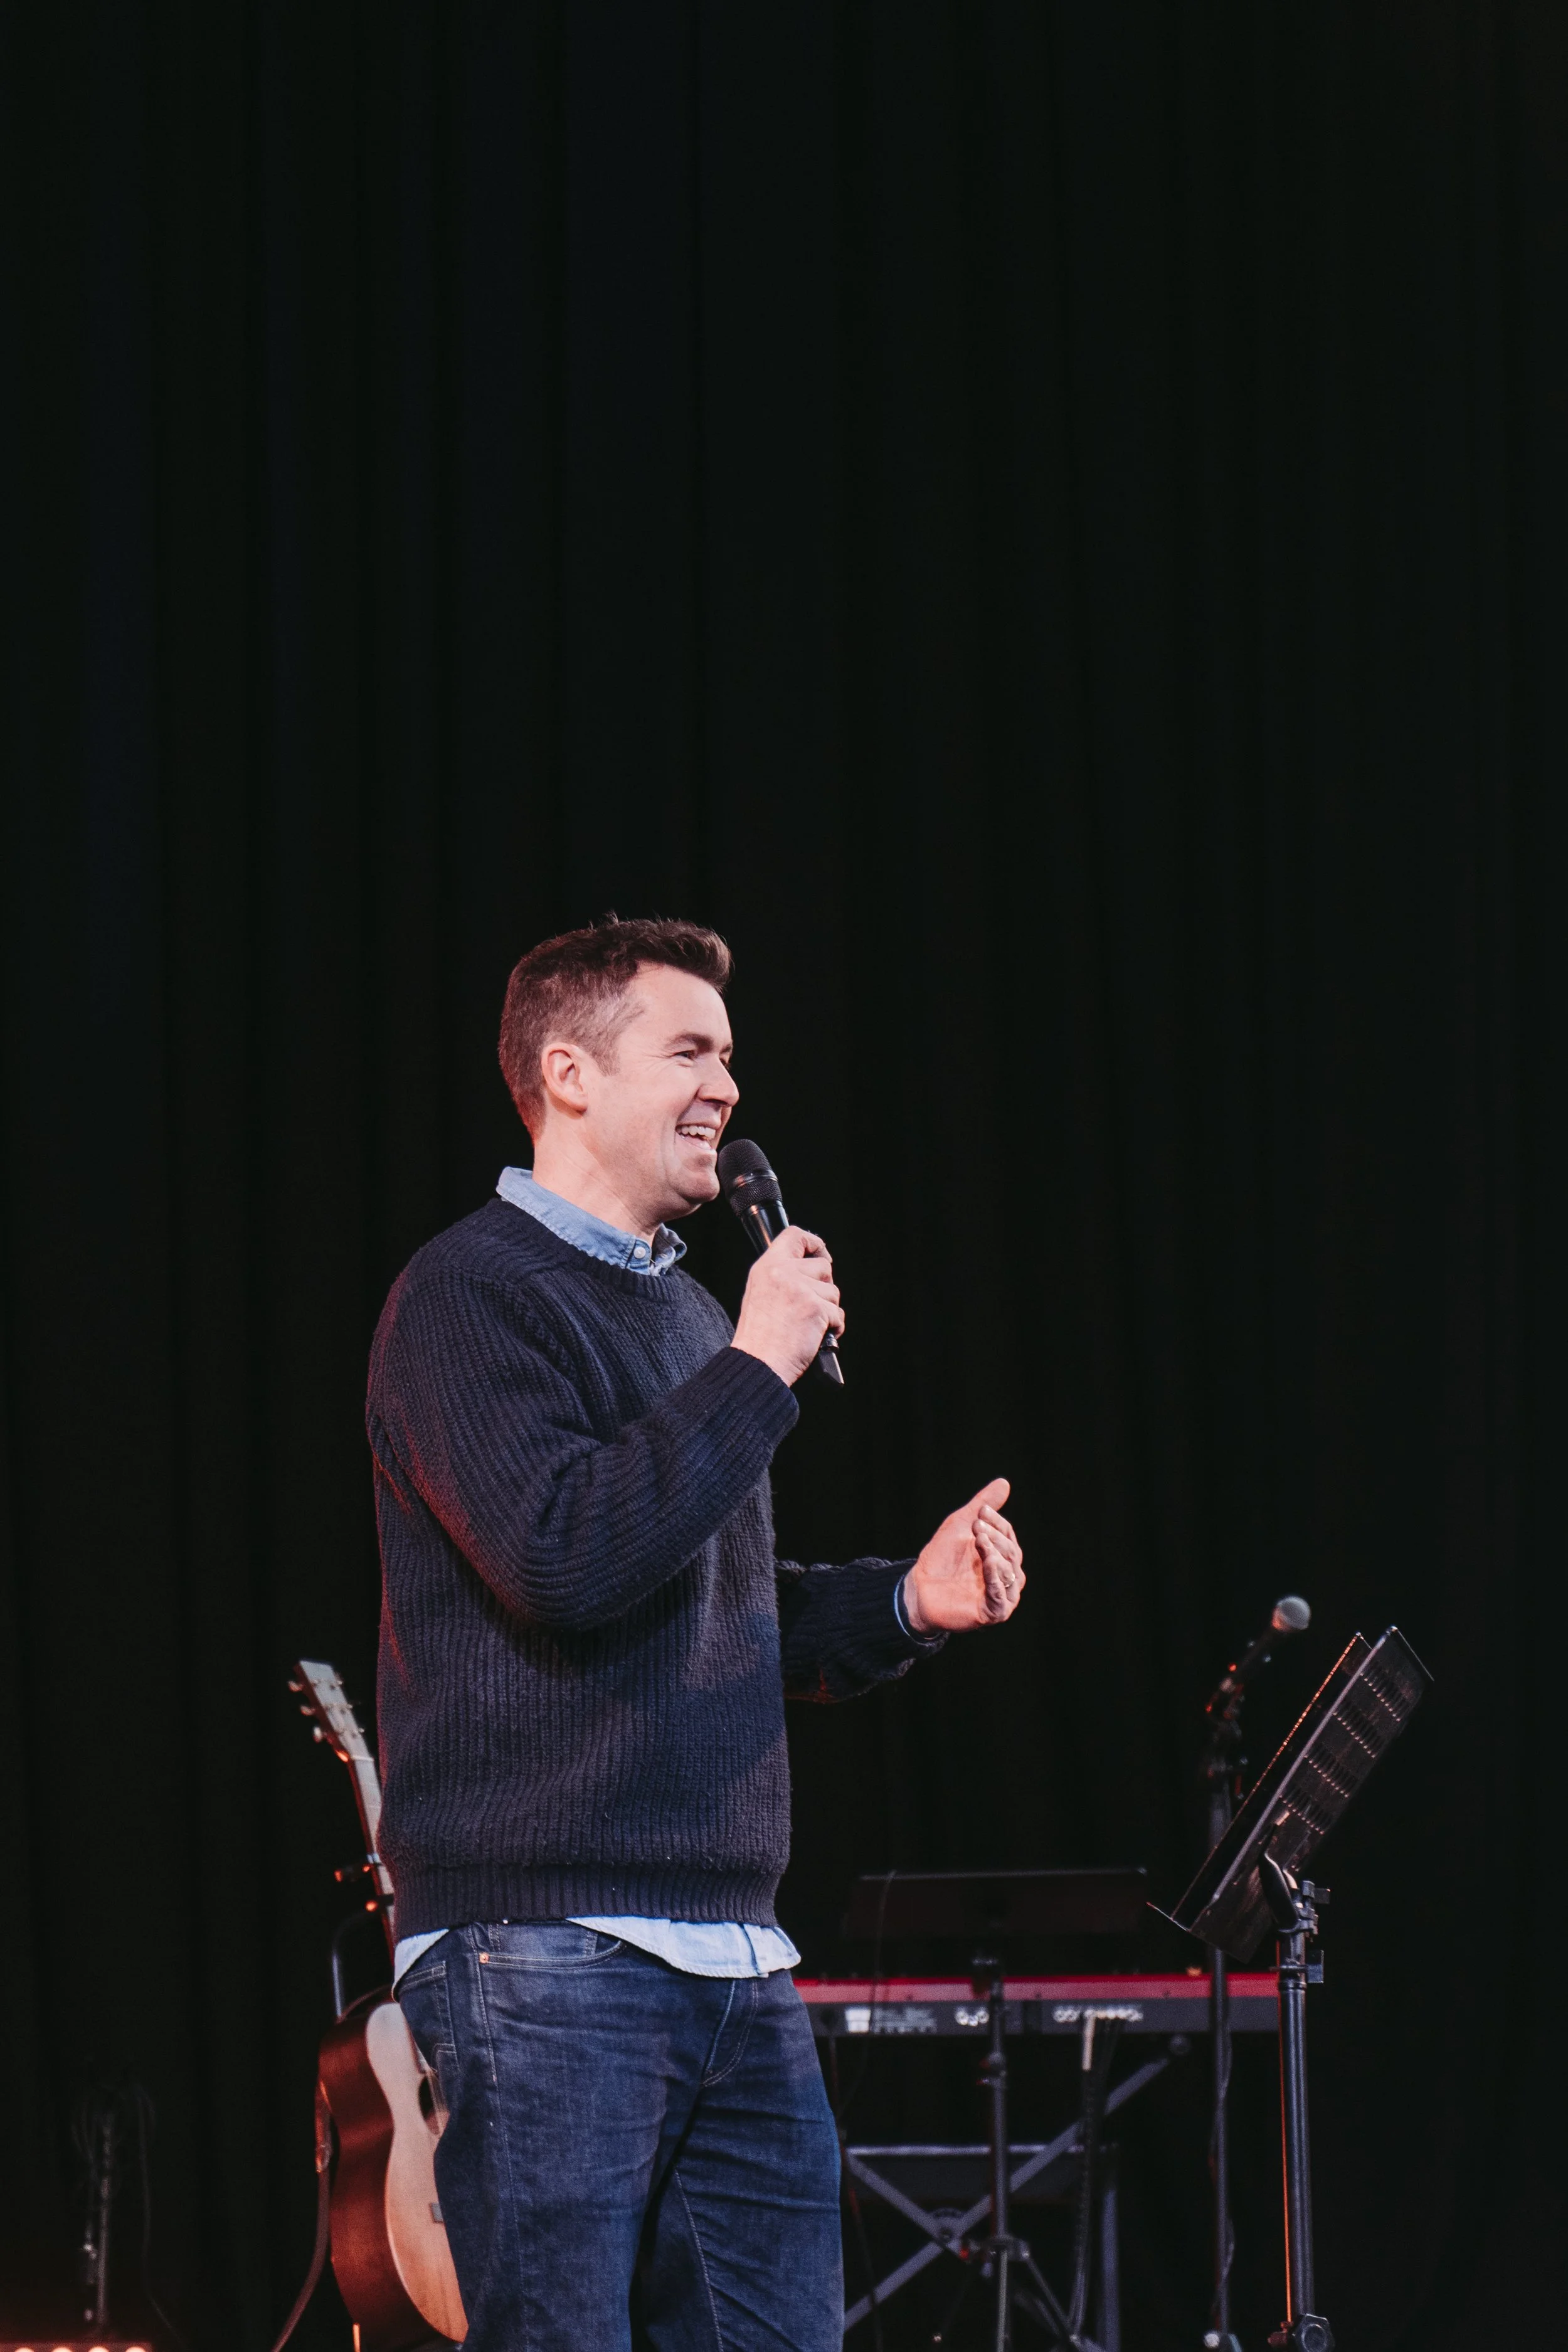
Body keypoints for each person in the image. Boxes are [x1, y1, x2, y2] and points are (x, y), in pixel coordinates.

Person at [369, 916, 1025, 2352]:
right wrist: (756, 1362)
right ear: (568, 1073)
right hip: (544, 1947)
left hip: (733, 1954)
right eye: (687, 1051)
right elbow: (561, 1558)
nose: (725, 1086)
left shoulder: (682, 1314)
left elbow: (707, 1605)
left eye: (726, 1055)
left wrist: (904, 1601)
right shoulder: (468, 1297)